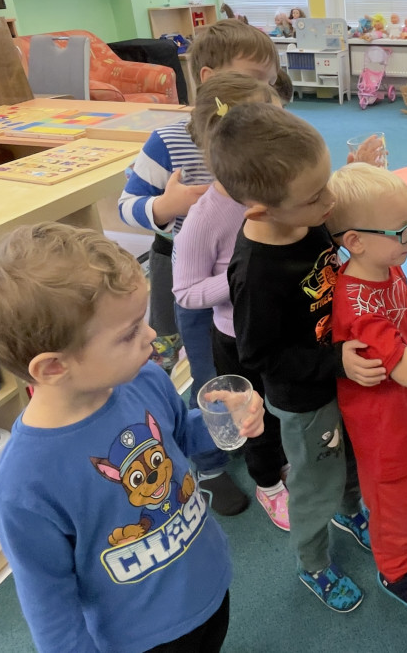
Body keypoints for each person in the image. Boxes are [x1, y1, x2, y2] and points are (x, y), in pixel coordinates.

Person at [0, 223, 265, 653]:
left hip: (208, 585)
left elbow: (180, 437)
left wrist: (226, 420)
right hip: (141, 640)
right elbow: (51, 610)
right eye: (128, 332)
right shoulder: (23, 486)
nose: (151, 335)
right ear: (53, 367)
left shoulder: (145, 380)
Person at [215, 101, 385, 613]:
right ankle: (313, 563)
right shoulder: (256, 273)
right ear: (259, 210)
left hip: (339, 372)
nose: (329, 202)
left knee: (350, 456)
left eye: (326, 184)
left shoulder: (306, 217)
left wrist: (356, 177)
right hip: (305, 400)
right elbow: (259, 355)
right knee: (315, 483)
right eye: (316, 197)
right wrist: (334, 362)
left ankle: (350, 511)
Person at [118, 21, 281, 514]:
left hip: (246, 272)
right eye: (255, 79)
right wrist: (166, 206)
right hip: (188, 271)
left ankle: (255, 435)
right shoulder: (168, 141)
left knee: (248, 360)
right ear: (211, 79)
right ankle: (208, 462)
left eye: (270, 82)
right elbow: (127, 205)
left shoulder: (262, 134)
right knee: (208, 370)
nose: (266, 93)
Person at [326, 163, 407, 615]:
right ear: (355, 241)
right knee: (392, 499)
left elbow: (397, 326)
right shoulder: (354, 300)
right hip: (384, 429)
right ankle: (395, 568)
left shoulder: (387, 268)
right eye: (401, 231)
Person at [171, 73, 291, 527]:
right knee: (252, 418)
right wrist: (241, 278)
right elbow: (186, 292)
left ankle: (284, 463)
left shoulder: (270, 189)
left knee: (281, 404)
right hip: (236, 338)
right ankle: (269, 485)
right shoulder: (206, 217)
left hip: (278, 324)